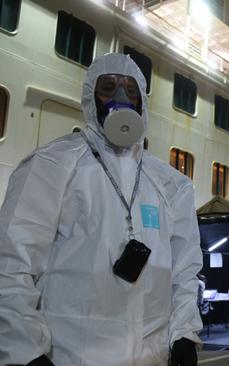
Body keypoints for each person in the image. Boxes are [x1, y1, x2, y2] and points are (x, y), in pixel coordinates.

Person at [0, 53, 203, 366]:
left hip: (151, 358)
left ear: (141, 103)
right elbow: (12, 263)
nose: (120, 97)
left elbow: (185, 272)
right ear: (90, 96)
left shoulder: (170, 185)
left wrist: (185, 334)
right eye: (108, 88)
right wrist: (25, 350)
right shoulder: (52, 167)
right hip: (72, 356)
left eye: (130, 90)